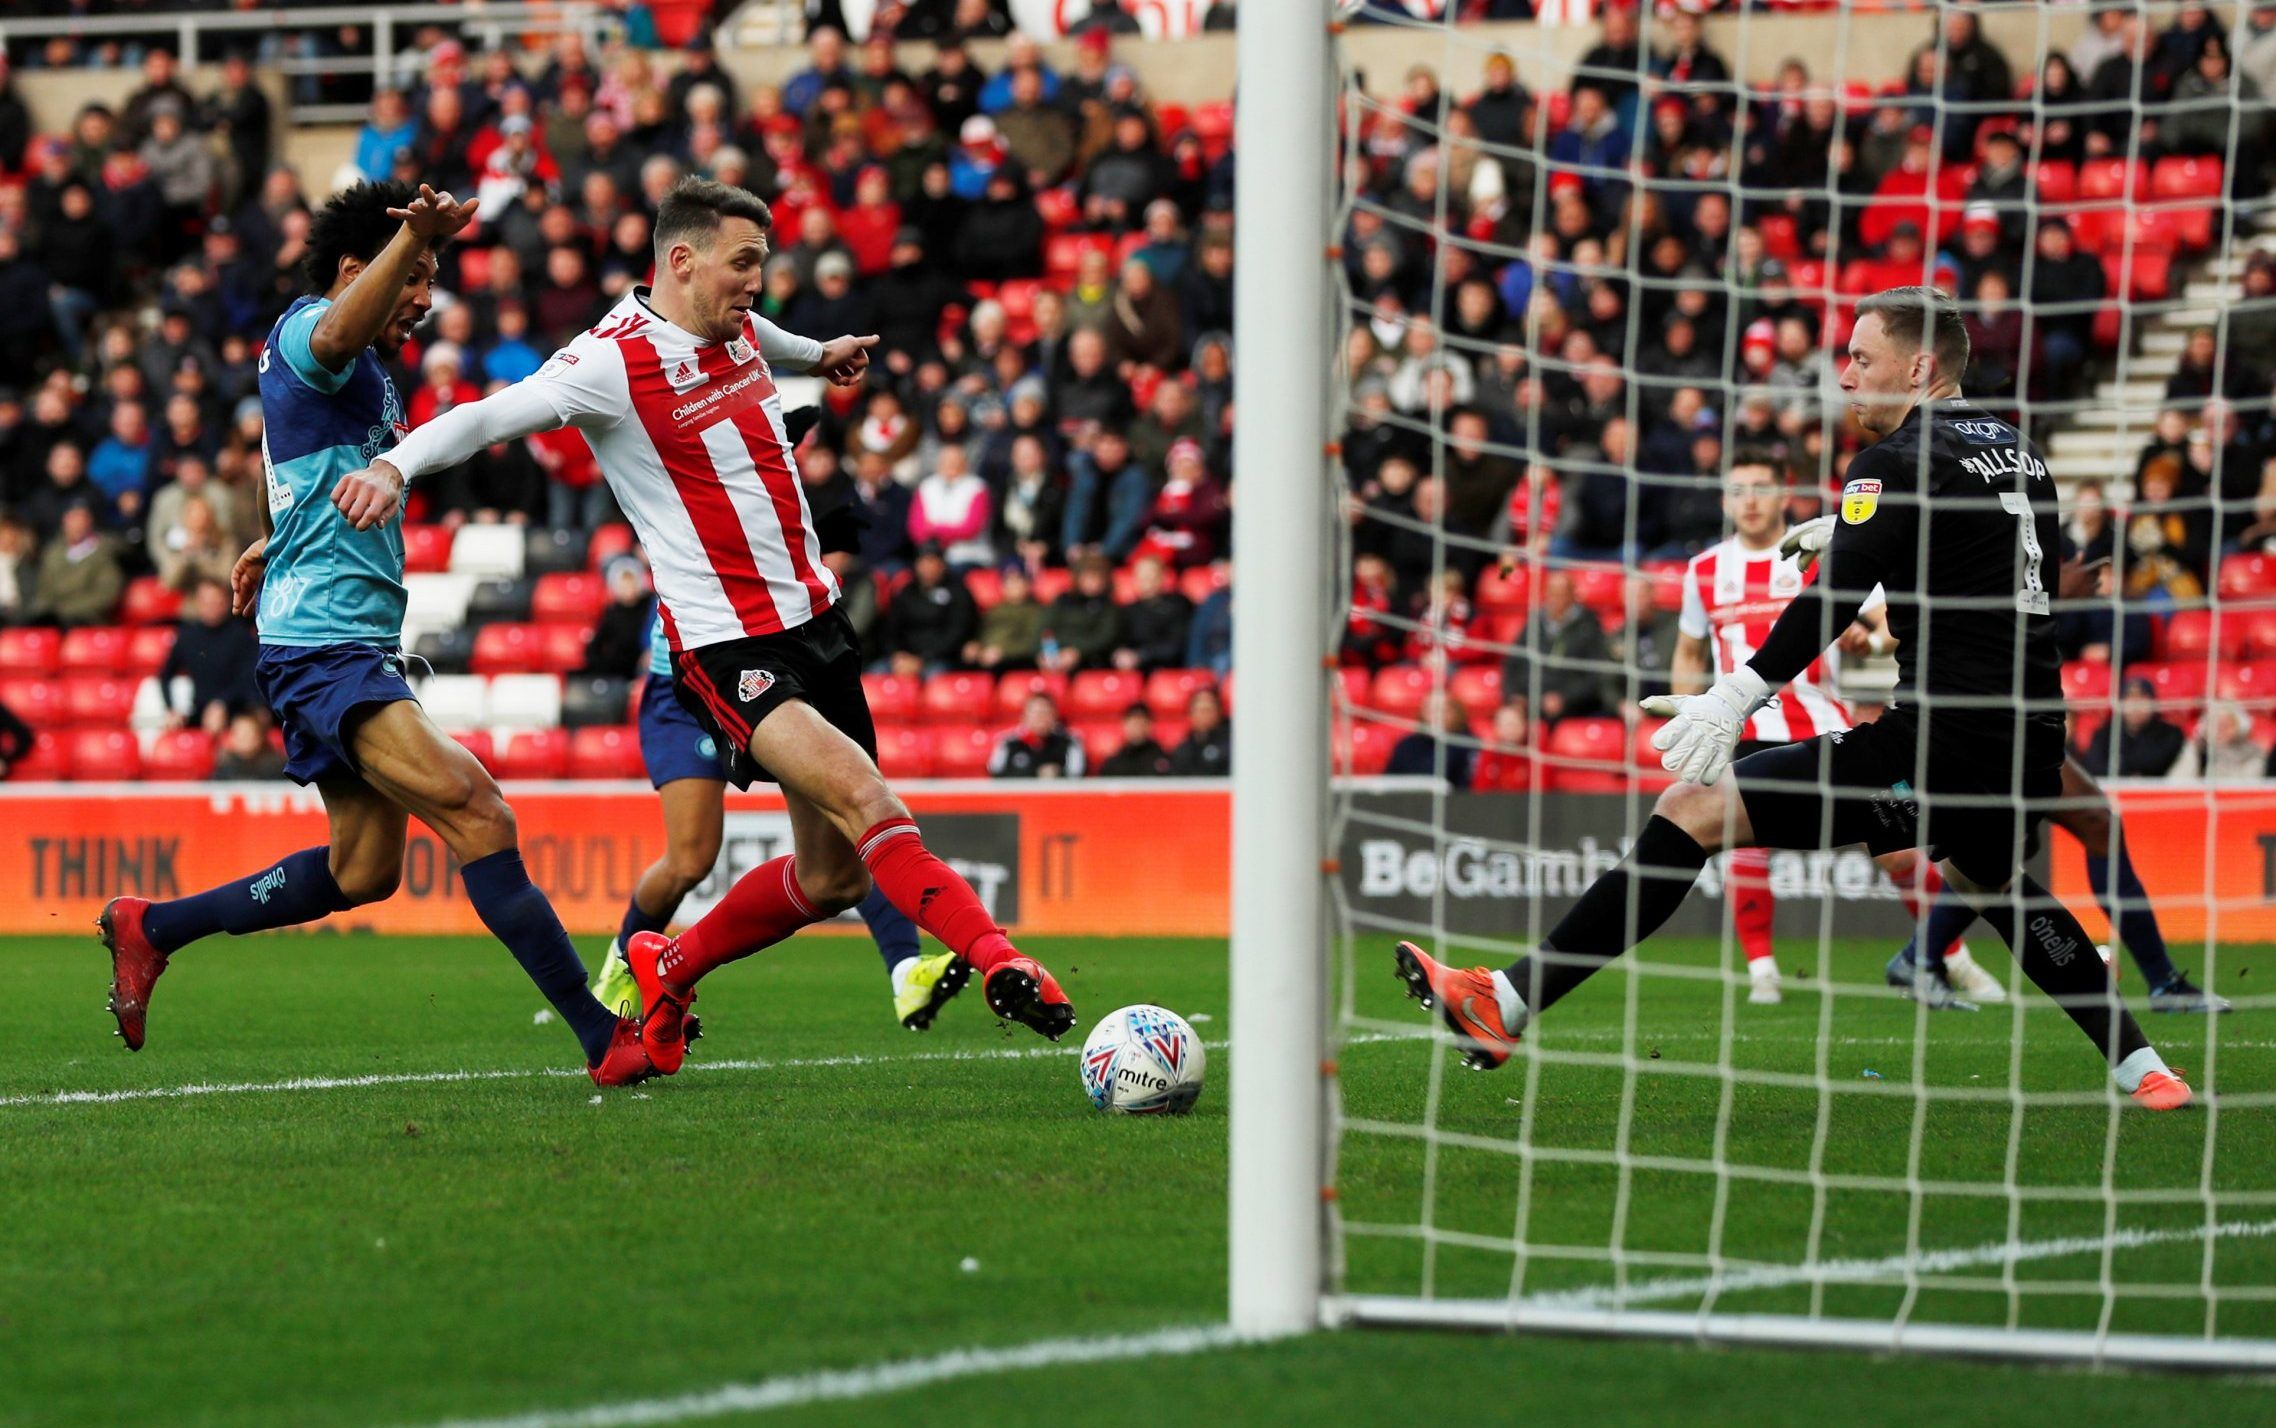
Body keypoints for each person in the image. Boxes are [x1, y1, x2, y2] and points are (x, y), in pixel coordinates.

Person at [1395, 287, 2193, 1111]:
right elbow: (1985, 567)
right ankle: (2144, 1067)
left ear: (1917, 367)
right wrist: (1856, 531)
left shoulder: (1892, 461)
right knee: (1991, 881)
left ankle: (1503, 1003)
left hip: (1937, 741)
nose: (1844, 376)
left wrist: (1736, 695)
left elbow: (1834, 598)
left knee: (1690, 808)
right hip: (2029, 739)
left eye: (1862, 358)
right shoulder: (2019, 452)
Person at [347, 178, 1075, 1079]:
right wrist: (394, 465)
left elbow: (765, 332)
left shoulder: (731, 326)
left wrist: (820, 352)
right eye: (744, 264)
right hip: (730, 646)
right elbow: (488, 416)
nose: (756, 283)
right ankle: (1002, 958)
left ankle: (670, 965)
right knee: (870, 800)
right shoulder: (609, 363)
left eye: (762, 264)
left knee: (834, 878)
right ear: (682, 261)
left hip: (819, 622)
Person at [98, 181, 653, 1086]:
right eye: (415, 276)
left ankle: (152, 927)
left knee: (362, 873)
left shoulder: (363, 374)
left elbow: (300, 467)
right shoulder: (309, 332)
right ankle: (603, 1036)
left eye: (430, 277)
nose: (425, 298)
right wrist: (411, 240)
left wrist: (274, 537)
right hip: (324, 648)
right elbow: (332, 335)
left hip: (343, 641)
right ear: (358, 269)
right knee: (480, 811)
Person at [1669, 450, 1995, 1007]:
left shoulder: (1825, 549)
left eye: (1761, 487)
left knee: (1896, 846)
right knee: (1745, 848)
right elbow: (1688, 651)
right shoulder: (1703, 570)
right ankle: (1763, 972)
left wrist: (1871, 641)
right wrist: (1693, 711)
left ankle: (1949, 958)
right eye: (1739, 490)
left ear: (1784, 494)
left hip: (1827, 725)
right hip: (1747, 729)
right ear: (1725, 500)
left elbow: (1886, 623)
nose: (1750, 501)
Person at [587, 603, 971, 1033]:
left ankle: (906, 971)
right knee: (690, 860)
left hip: (771, 669)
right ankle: (623, 965)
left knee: (842, 817)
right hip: (687, 685)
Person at [989, 691, 1085, 778]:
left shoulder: (1069, 742)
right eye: (1035, 713)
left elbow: (1076, 775)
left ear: (1055, 716)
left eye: (1045, 713)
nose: (1040, 718)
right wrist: (1034, 773)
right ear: (1024, 717)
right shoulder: (1009, 743)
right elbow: (996, 774)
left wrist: (1059, 773)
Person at [1099, 703, 1174, 777]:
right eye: (1134, 723)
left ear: (1150, 725)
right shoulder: (1114, 763)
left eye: (1141, 723)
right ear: (1124, 725)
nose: (1137, 728)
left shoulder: (1162, 760)